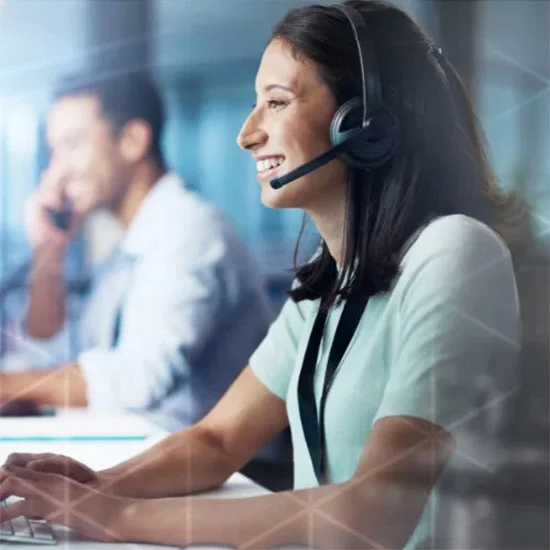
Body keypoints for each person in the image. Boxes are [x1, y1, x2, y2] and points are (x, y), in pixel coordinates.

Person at [0, 1, 522, 548]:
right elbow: (217, 441)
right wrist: (96, 485)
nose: (247, 134)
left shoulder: (455, 253)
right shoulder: (328, 287)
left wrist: (112, 517)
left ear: (364, 123)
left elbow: (376, 508)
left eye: (276, 103)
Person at [0, 71, 275, 437]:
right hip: (151, 460)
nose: (56, 171)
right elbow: (51, 358)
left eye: (73, 144)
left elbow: (136, 379)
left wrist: (6, 385)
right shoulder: (127, 246)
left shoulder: (188, 231)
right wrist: (48, 250)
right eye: (54, 151)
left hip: (227, 477)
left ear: (132, 140)